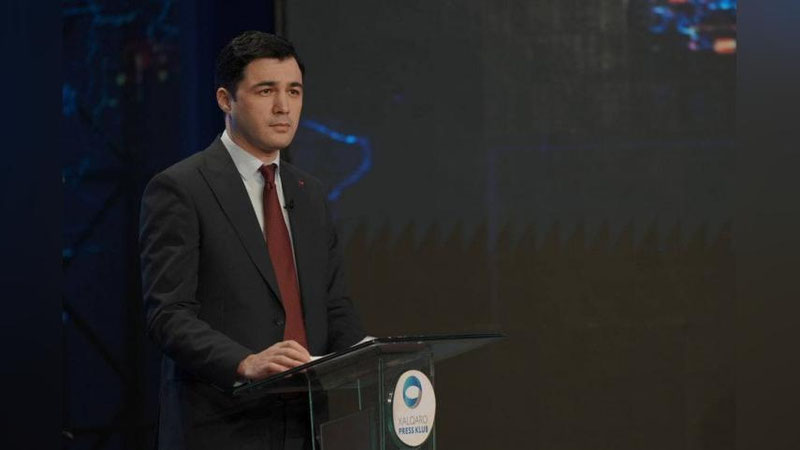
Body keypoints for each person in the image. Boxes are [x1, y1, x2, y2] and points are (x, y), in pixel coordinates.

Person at [139, 30, 365, 450]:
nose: (284, 107)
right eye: (266, 91)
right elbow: (168, 314)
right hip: (223, 427)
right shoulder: (181, 188)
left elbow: (333, 306)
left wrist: (374, 357)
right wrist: (244, 362)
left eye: (294, 91)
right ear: (226, 100)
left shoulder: (309, 193)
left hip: (306, 425)